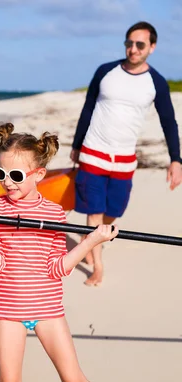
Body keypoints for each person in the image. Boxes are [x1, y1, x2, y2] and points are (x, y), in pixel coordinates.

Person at [0, 123, 118, 382]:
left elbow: (58, 268)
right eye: (0, 173)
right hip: (9, 311)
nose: (7, 182)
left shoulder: (53, 214)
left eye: (16, 175)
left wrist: (91, 241)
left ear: (39, 174)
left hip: (48, 310)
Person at [70, 20, 182, 286]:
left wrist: (176, 159)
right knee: (94, 211)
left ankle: (91, 238)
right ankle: (97, 265)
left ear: (151, 47)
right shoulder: (105, 71)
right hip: (93, 152)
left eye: (139, 44)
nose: (133, 49)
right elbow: (87, 109)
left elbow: (169, 121)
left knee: (114, 210)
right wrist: (76, 145)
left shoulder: (156, 82)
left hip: (124, 160)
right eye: (129, 43)